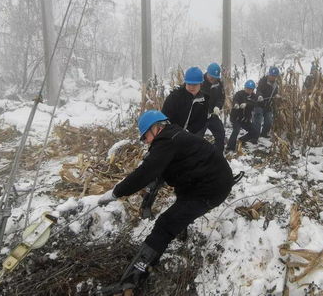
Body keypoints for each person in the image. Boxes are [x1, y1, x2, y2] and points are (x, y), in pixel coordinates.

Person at [98, 110, 234, 295]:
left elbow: (145, 172)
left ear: (157, 127)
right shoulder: (175, 134)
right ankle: (181, 227)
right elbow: (160, 171)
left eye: (145, 136)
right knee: (180, 203)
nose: (145, 141)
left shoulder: (166, 141)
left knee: (165, 224)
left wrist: (116, 192)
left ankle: (131, 281)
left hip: (210, 188)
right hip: (207, 180)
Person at [162, 66, 207, 136]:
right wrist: (177, 134)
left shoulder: (204, 100)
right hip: (173, 137)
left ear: (201, 84)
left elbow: (201, 123)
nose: (191, 87)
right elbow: (164, 120)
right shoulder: (174, 97)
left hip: (192, 138)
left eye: (195, 84)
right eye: (189, 84)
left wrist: (194, 137)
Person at [226, 80, 259, 151]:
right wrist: (236, 104)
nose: (248, 90)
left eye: (250, 89)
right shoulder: (239, 94)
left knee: (254, 132)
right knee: (236, 130)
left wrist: (246, 104)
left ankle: (241, 140)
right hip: (236, 118)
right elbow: (235, 100)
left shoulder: (254, 96)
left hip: (245, 119)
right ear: (245, 88)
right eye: (247, 88)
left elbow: (254, 104)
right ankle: (230, 147)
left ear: (253, 90)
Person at [200, 62, 226, 153]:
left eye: (215, 77)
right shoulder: (199, 82)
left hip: (212, 115)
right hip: (199, 116)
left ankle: (218, 155)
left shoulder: (218, 84)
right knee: (196, 138)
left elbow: (221, 97)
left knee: (221, 133)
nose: (212, 79)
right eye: (211, 76)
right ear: (207, 73)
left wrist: (217, 106)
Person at [253, 66, 280, 139]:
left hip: (268, 105)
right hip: (259, 104)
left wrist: (276, 95)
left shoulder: (275, 84)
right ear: (269, 74)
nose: (273, 77)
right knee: (258, 121)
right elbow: (258, 90)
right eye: (271, 75)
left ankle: (264, 134)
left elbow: (275, 92)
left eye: (274, 76)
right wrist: (259, 96)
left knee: (269, 121)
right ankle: (254, 136)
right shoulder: (263, 81)